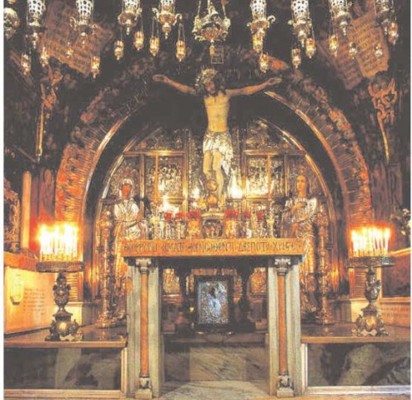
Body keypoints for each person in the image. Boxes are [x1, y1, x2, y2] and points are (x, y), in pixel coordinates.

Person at [153, 69, 281, 203]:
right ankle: (212, 196)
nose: (210, 87)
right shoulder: (205, 97)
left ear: (216, 82)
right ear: (204, 87)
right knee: (206, 169)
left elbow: (245, 91)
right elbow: (187, 90)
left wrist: (265, 84)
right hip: (210, 135)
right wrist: (168, 81)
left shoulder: (226, 94)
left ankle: (219, 199)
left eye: (211, 83)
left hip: (222, 135)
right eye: (207, 85)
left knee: (216, 167)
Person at [281, 173, 318, 317]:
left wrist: (297, 222)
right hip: (293, 238)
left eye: (303, 181)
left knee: (308, 269)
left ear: (308, 183)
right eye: (297, 181)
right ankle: (297, 304)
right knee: (296, 270)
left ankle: (310, 304)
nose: (300, 184)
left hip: (307, 238)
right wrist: (294, 208)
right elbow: (284, 220)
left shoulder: (312, 201)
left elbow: (312, 216)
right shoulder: (290, 202)